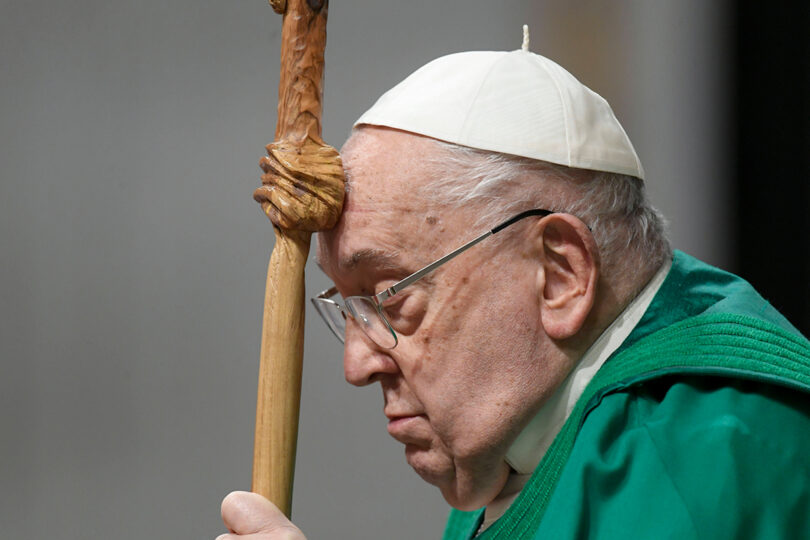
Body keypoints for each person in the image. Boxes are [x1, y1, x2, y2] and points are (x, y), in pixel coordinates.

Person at [217, 42, 810, 540]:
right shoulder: (525, 440)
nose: (356, 365)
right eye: (348, 306)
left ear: (560, 274)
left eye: (390, 296)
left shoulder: (703, 460)